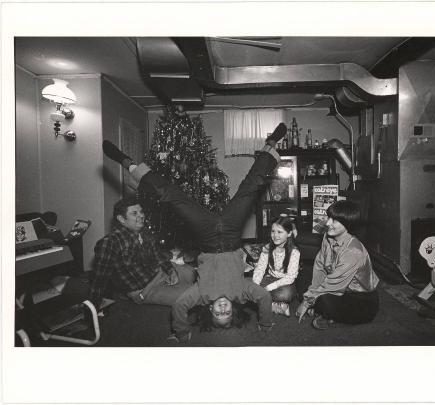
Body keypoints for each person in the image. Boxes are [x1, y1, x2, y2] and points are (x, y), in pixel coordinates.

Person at [102, 122, 287, 342]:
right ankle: (271, 143)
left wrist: (181, 332)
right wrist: (266, 322)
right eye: (226, 313)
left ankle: (129, 164)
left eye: (218, 314)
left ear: (210, 311)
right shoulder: (242, 293)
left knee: (172, 196)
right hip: (230, 233)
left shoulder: (200, 295)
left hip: (207, 235)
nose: (221, 309)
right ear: (233, 310)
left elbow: (179, 306)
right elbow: (265, 297)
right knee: (251, 186)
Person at [90, 196, 196, 310]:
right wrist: (92, 308)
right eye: (134, 213)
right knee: (191, 297)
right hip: (144, 289)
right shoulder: (110, 243)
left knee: (191, 274)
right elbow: (99, 280)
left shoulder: (144, 232)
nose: (141, 215)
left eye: (141, 212)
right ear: (121, 219)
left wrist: (170, 271)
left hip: (159, 274)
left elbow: (158, 256)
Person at [295, 200, 379, 329]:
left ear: (347, 223)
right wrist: (311, 295)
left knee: (324, 300)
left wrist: (306, 303)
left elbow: (332, 284)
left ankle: (326, 314)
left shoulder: (353, 251)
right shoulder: (327, 237)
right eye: (329, 218)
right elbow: (320, 267)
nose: (328, 223)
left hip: (361, 299)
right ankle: (324, 313)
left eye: (334, 220)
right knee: (303, 273)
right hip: (339, 287)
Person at [252, 216, 300, 317]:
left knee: (286, 294)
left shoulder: (294, 252)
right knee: (250, 287)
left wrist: (269, 288)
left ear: (289, 233)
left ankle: (266, 302)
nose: (275, 235)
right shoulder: (267, 248)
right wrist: (256, 285)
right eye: (273, 231)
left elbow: (290, 277)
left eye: (279, 232)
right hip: (270, 278)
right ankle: (274, 305)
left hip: (285, 282)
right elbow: (260, 269)